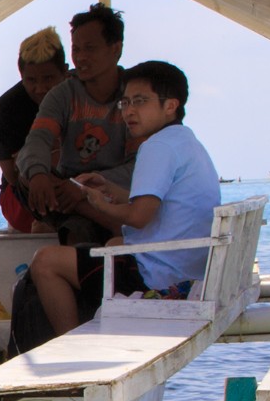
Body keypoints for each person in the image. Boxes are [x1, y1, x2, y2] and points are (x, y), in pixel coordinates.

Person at [25, 61, 221, 336]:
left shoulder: (157, 147)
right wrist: (108, 188)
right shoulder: (185, 141)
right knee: (114, 242)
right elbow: (153, 203)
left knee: (45, 261)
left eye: (140, 102)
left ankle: (68, 346)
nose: (129, 111)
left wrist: (96, 202)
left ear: (170, 105)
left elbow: (139, 217)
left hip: (160, 279)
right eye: (125, 102)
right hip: (187, 268)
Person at [14, 2, 133, 248]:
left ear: (116, 49)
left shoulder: (134, 93)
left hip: (115, 189)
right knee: (30, 177)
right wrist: (38, 174)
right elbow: (37, 140)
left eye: (89, 48)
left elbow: (140, 166)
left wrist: (84, 188)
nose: (80, 57)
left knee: (78, 226)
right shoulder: (63, 94)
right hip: (66, 190)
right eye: (76, 49)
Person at [0, 28, 69, 233]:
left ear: (65, 71)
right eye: (32, 80)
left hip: (79, 185)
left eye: (48, 78)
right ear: (21, 76)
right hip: (23, 194)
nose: (40, 88)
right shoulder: (6, 108)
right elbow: (13, 177)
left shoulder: (81, 94)